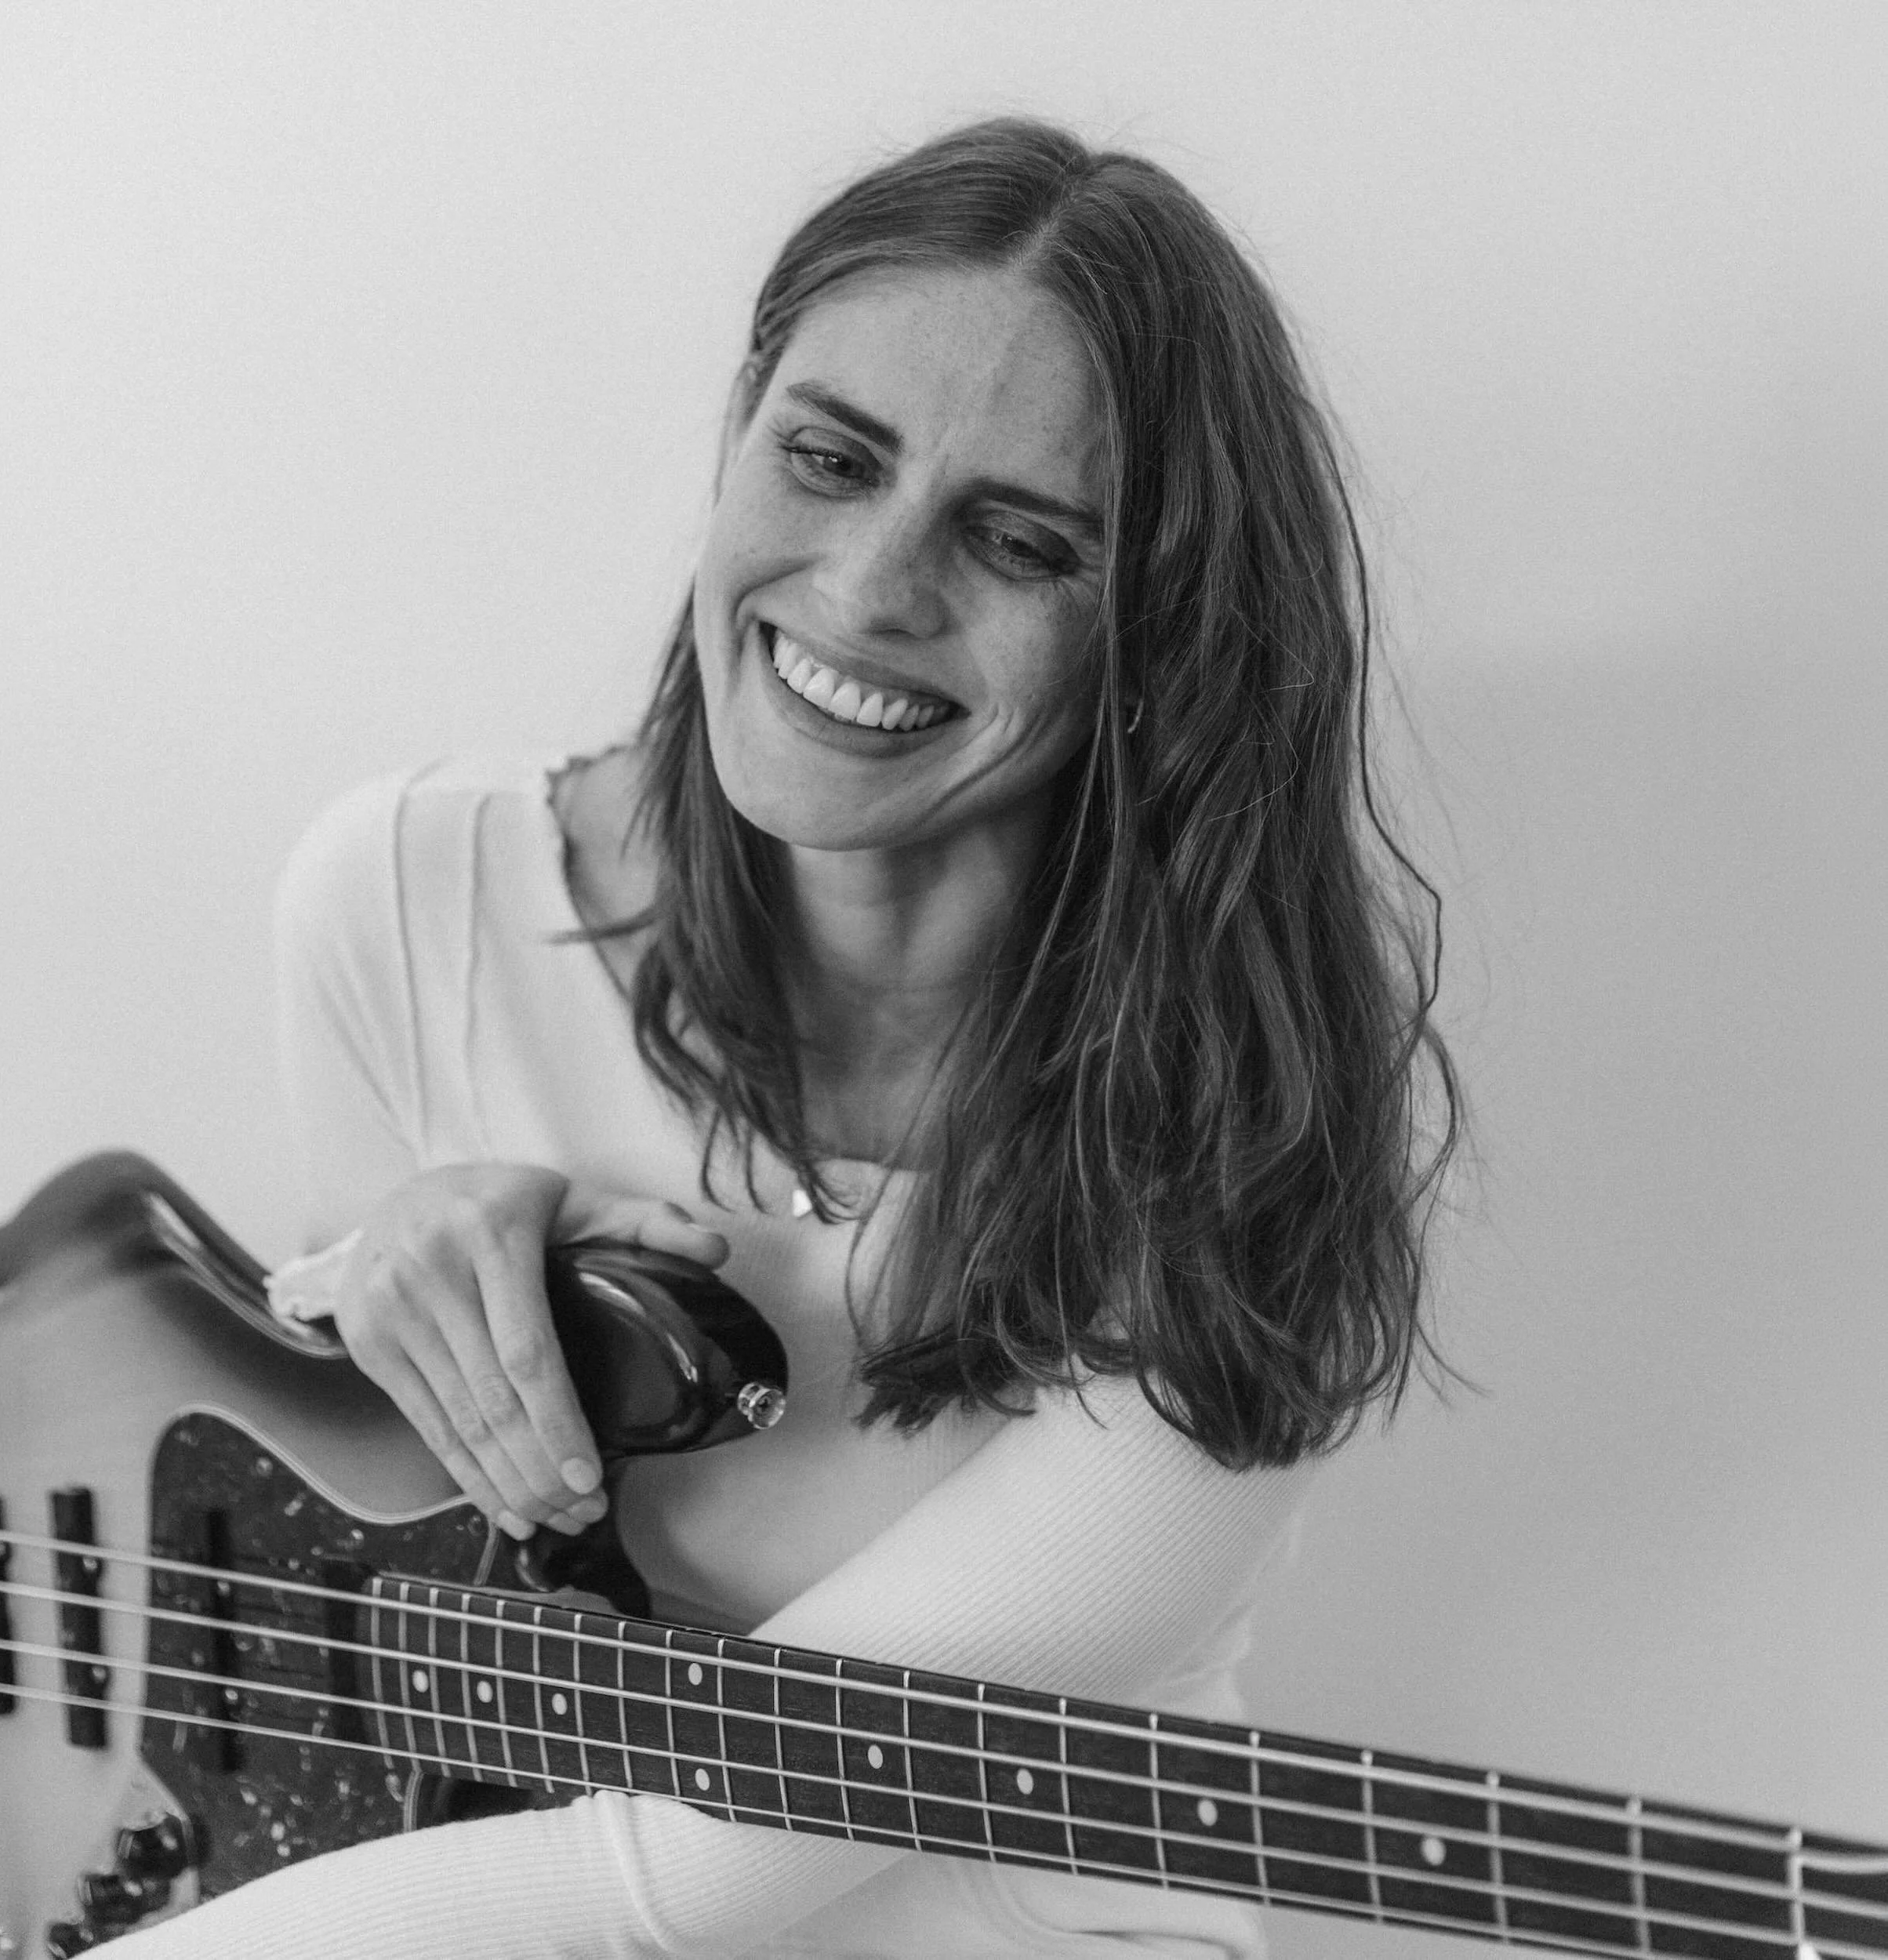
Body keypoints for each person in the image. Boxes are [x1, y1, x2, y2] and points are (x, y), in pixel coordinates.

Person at [114, 115, 1458, 1959]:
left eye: (1020, 541)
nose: (872, 586)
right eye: (828, 458)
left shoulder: (1245, 1106)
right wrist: (397, 1277)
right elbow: (392, 1663)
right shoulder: (402, 901)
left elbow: (658, 1876)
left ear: (1154, 636)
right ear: (738, 427)